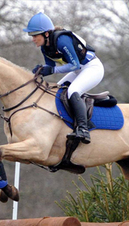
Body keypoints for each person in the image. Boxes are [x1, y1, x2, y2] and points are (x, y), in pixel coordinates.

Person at [23, 12, 104, 144]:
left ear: (46, 34)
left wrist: (52, 70)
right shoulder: (45, 47)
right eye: (31, 36)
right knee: (56, 92)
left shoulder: (62, 40)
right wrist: (40, 71)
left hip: (92, 68)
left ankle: (83, 129)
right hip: (79, 70)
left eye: (35, 35)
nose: (33, 39)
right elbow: (50, 66)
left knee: (73, 91)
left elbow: (74, 64)